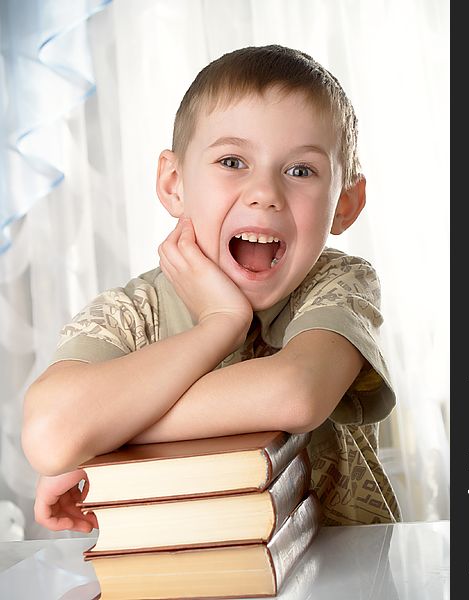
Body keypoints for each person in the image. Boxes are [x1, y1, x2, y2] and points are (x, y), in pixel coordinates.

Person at [22, 45, 400, 533]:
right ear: (174, 182)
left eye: (301, 170)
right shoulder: (128, 315)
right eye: (232, 161)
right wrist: (220, 325)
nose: (265, 193)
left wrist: (103, 434)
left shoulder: (338, 284)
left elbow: (297, 392)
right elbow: (51, 431)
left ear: (346, 203)